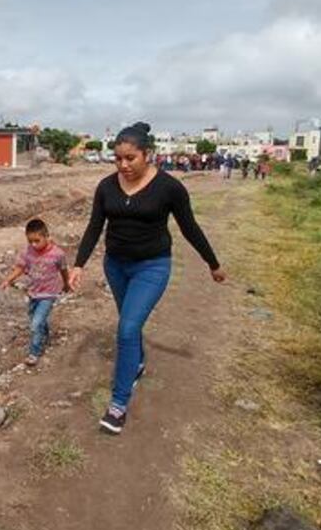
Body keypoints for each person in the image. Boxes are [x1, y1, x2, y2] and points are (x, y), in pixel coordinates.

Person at [68, 122, 227, 435]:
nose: (124, 165)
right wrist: (79, 264)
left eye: (131, 158)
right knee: (130, 322)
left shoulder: (169, 188)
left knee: (126, 328)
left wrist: (213, 263)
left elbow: (189, 227)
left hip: (151, 267)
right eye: (118, 159)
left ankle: (118, 403)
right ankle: (137, 362)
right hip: (115, 265)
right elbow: (94, 227)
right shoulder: (106, 186)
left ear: (147, 154)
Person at [0, 218, 70, 367]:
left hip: (48, 295)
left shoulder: (58, 254)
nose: (33, 244)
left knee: (35, 323)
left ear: (46, 236)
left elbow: (63, 270)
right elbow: (20, 267)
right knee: (37, 320)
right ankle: (45, 336)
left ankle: (34, 352)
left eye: (37, 241)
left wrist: (66, 284)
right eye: (30, 241)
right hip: (33, 293)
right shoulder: (28, 252)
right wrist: (8, 279)